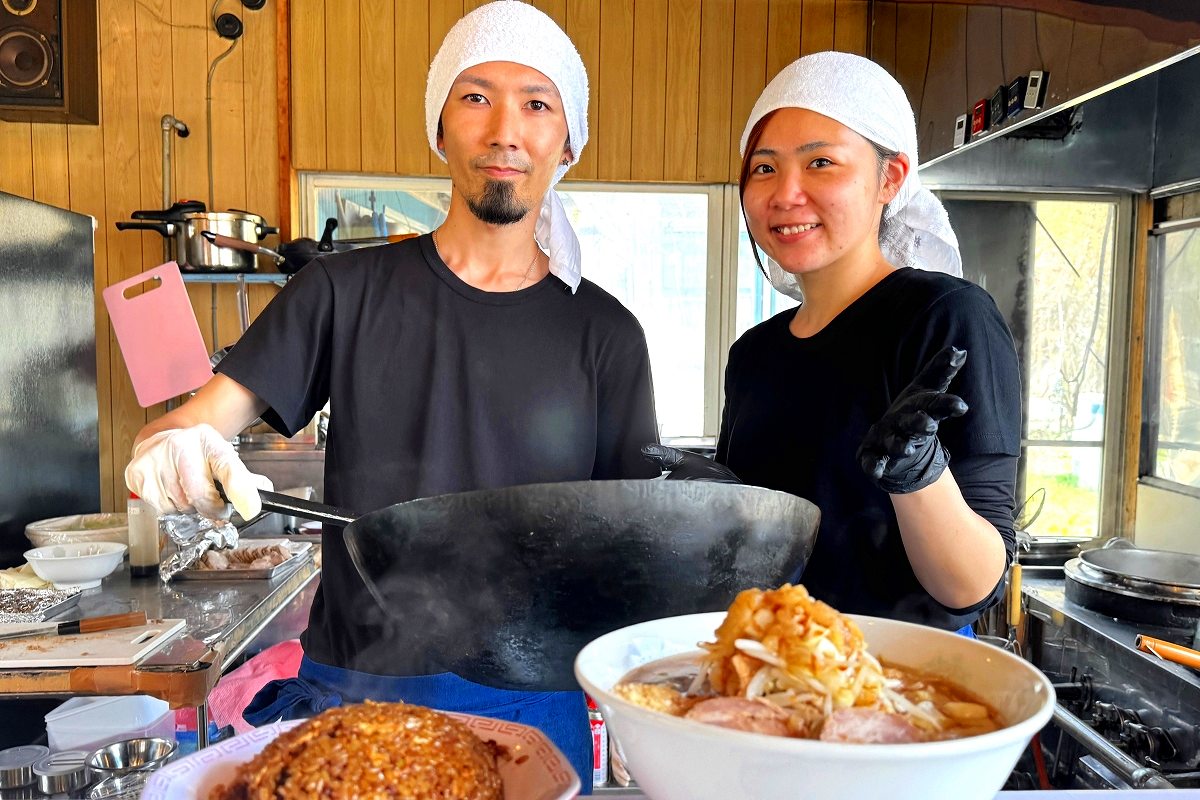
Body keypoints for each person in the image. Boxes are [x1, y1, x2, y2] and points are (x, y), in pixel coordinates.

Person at [125, 1, 658, 785]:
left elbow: (635, 542)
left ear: (568, 141)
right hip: (360, 688)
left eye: (537, 104)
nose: (505, 131)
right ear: (439, 128)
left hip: (538, 698)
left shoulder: (606, 333)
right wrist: (174, 450)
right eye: (475, 97)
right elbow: (187, 425)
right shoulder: (340, 291)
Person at [647, 52, 1021, 635]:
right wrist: (721, 509)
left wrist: (919, 476)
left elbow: (972, 587)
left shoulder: (944, 317)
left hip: (897, 674)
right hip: (768, 660)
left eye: (820, 162)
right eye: (764, 168)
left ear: (890, 179)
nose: (785, 193)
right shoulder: (754, 354)